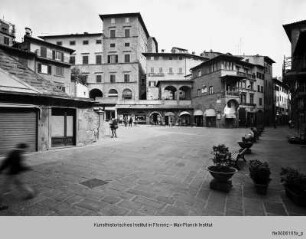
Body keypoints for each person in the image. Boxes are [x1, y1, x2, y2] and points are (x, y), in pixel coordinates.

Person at [0, 143, 35, 210]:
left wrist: (1, 169)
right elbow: (17, 165)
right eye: (26, 149)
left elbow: (5, 162)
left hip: (13, 173)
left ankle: (30, 193)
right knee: (19, 184)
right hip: (13, 173)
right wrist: (26, 168)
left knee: (5, 187)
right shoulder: (17, 154)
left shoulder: (13, 152)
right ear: (23, 148)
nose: (26, 151)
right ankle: (30, 193)